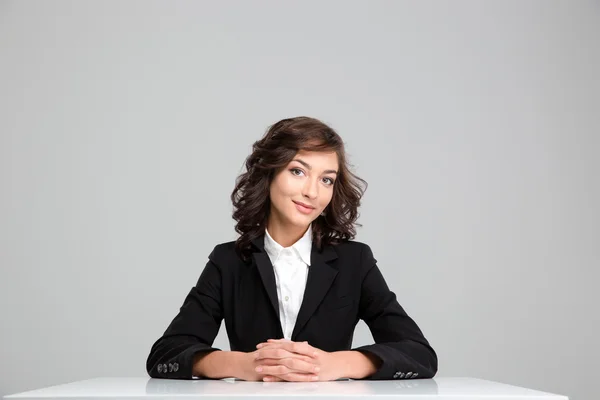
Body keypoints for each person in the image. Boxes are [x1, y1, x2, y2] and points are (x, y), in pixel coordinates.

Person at [146, 116, 438, 382]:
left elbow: (420, 354)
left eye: (327, 180)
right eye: (298, 171)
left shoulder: (355, 261)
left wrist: (337, 364)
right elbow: (165, 355)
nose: (312, 192)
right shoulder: (229, 261)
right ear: (269, 173)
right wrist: (244, 365)